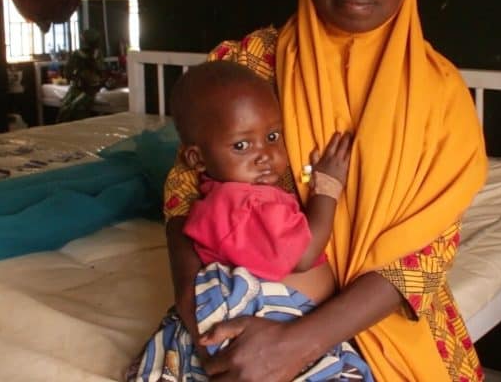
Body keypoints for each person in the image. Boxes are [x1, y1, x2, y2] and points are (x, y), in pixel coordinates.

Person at [163, 0, 487, 382]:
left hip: (376, 314)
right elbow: (184, 195)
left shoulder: (441, 98)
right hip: (241, 307)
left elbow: (424, 256)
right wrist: (194, 306)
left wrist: (297, 344)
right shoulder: (246, 67)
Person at [127, 60, 373, 381]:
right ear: (197, 159)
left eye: (273, 136)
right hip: (274, 316)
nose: (265, 155)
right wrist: (328, 187)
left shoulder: (225, 198)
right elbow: (305, 253)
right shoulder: (243, 204)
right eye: (241, 145)